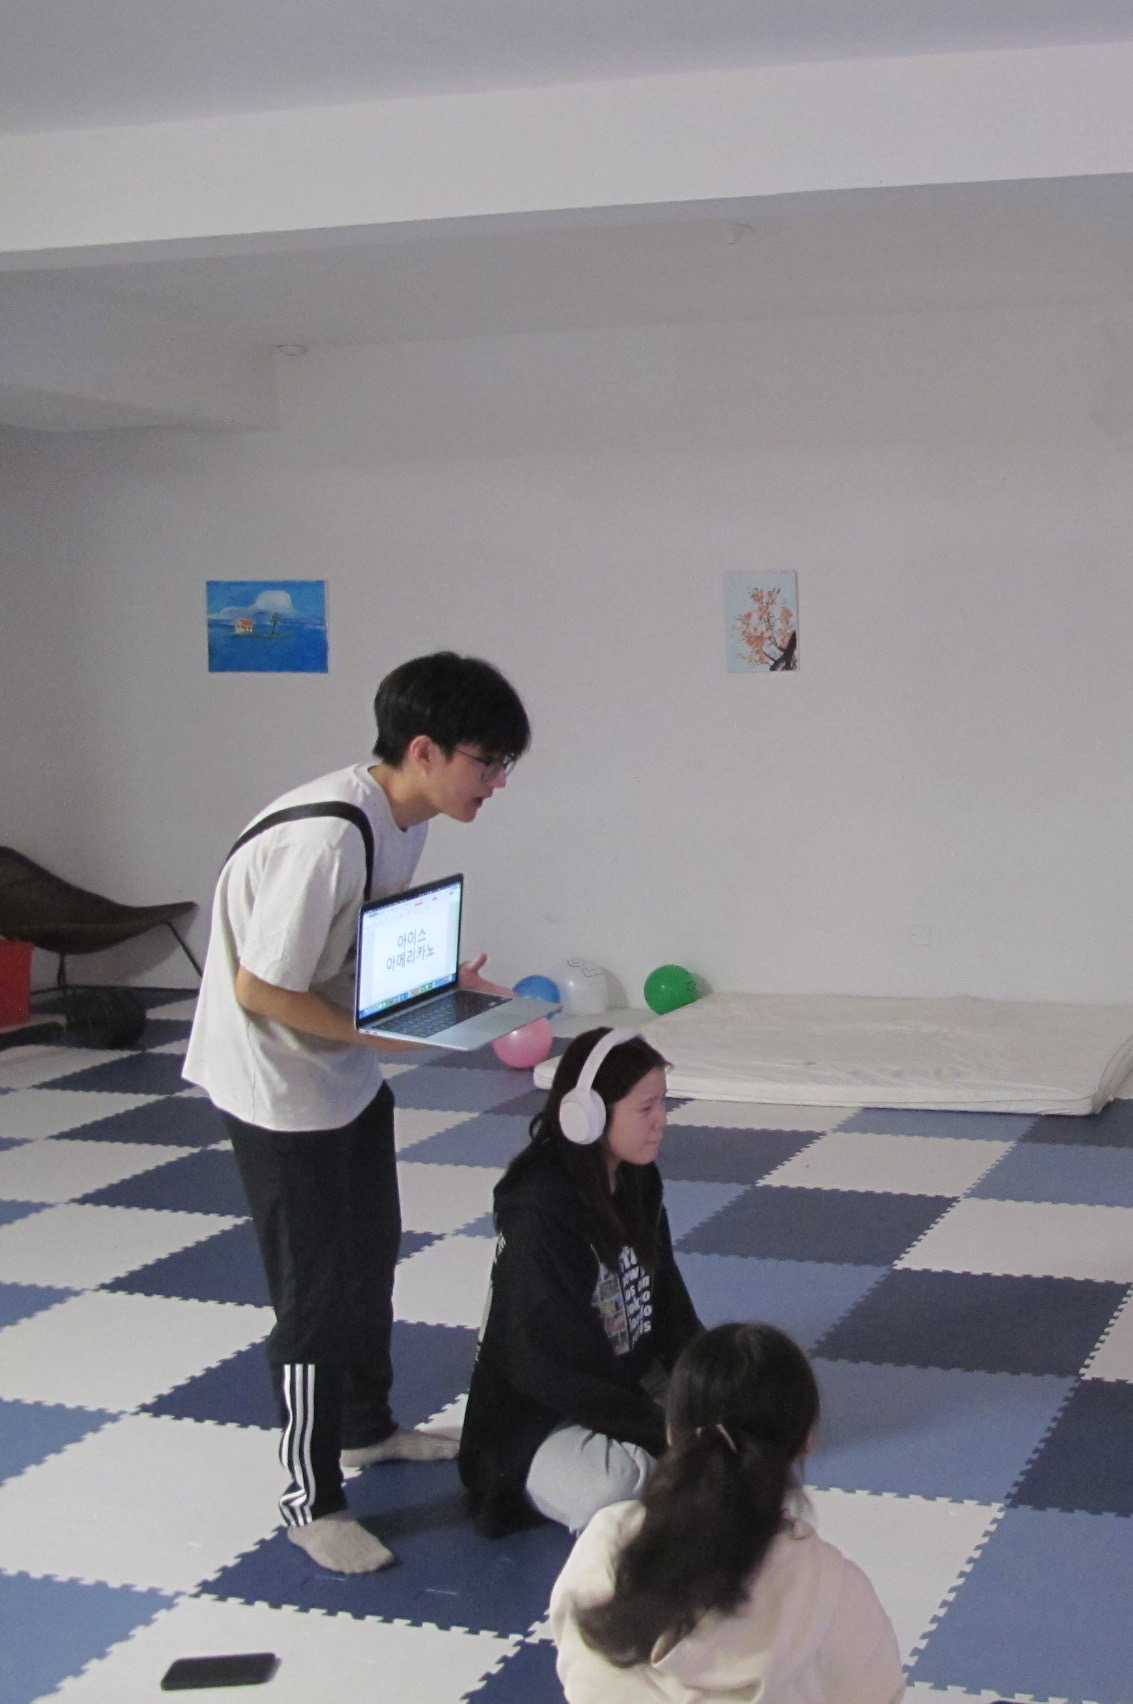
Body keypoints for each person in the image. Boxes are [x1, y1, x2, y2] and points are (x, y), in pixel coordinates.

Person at [184, 651, 529, 1574]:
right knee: (313, 1294)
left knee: (373, 1249)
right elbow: (261, 988)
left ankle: (367, 1429)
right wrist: (378, 1033)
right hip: (274, 1082)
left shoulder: (404, 821)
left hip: (339, 1070)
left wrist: (438, 990)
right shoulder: (329, 838)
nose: (496, 782)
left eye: (504, 765)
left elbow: (353, 951)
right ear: (423, 750)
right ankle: (310, 1498)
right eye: (486, 762)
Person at [549, 1320, 904, 1704]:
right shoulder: (832, 1588)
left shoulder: (605, 1545)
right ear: (806, 1442)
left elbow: (576, 1668)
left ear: (671, 1434)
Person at [461, 1027, 704, 1537]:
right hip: (546, 1413)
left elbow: (668, 1301)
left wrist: (712, 1380)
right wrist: (660, 1431)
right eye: (646, 1108)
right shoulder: (540, 1211)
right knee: (614, 1488)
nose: (662, 1121)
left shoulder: (638, 1177)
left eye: (662, 1103)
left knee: (736, 1412)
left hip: (624, 1382)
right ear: (587, 1113)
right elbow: (549, 1368)